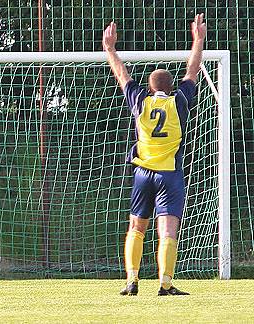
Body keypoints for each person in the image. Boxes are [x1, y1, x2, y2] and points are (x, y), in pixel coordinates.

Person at [103, 14, 207, 296]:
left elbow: (122, 75)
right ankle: (165, 283)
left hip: (142, 174)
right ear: (172, 88)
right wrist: (198, 40)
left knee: (136, 225)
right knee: (168, 229)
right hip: (169, 174)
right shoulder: (181, 101)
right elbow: (193, 70)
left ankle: (132, 281)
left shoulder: (140, 101)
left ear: (149, 89)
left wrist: (111, 49)